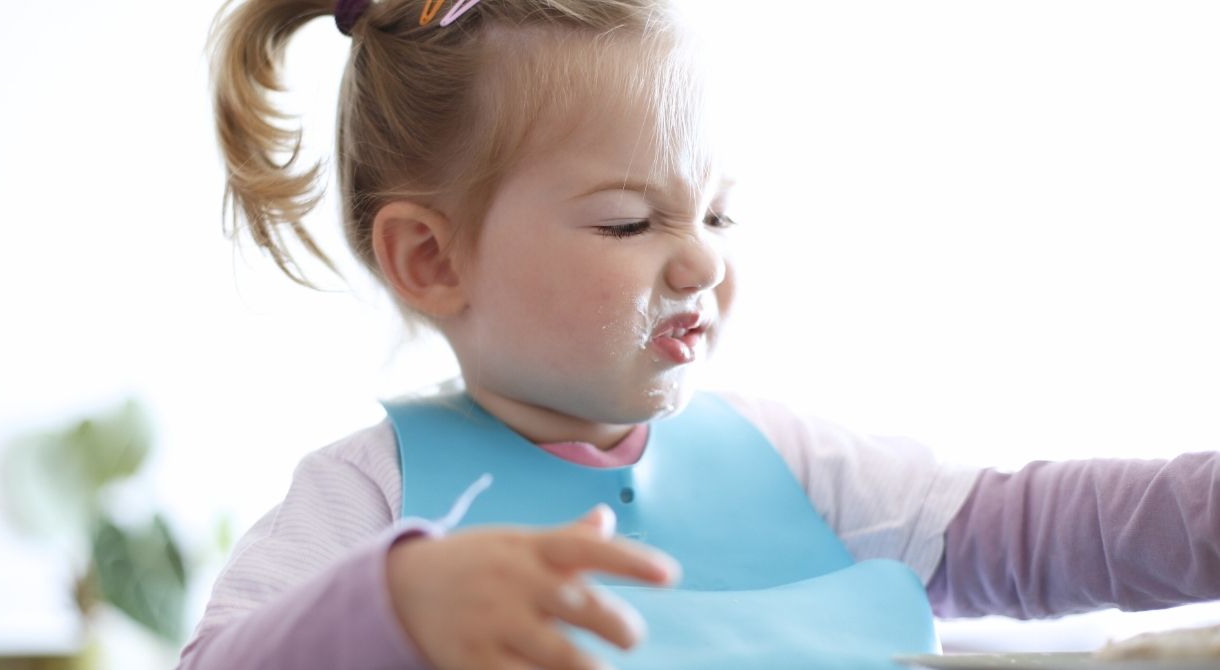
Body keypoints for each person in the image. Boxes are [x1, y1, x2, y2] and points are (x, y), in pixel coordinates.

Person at [181, 0, 1220, 668]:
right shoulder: (368, 500)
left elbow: (1035, 536)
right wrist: (395, 606)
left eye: (718, 214)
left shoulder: (792, 463)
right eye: (630, 222)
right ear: (431, 259)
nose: (703, 262)